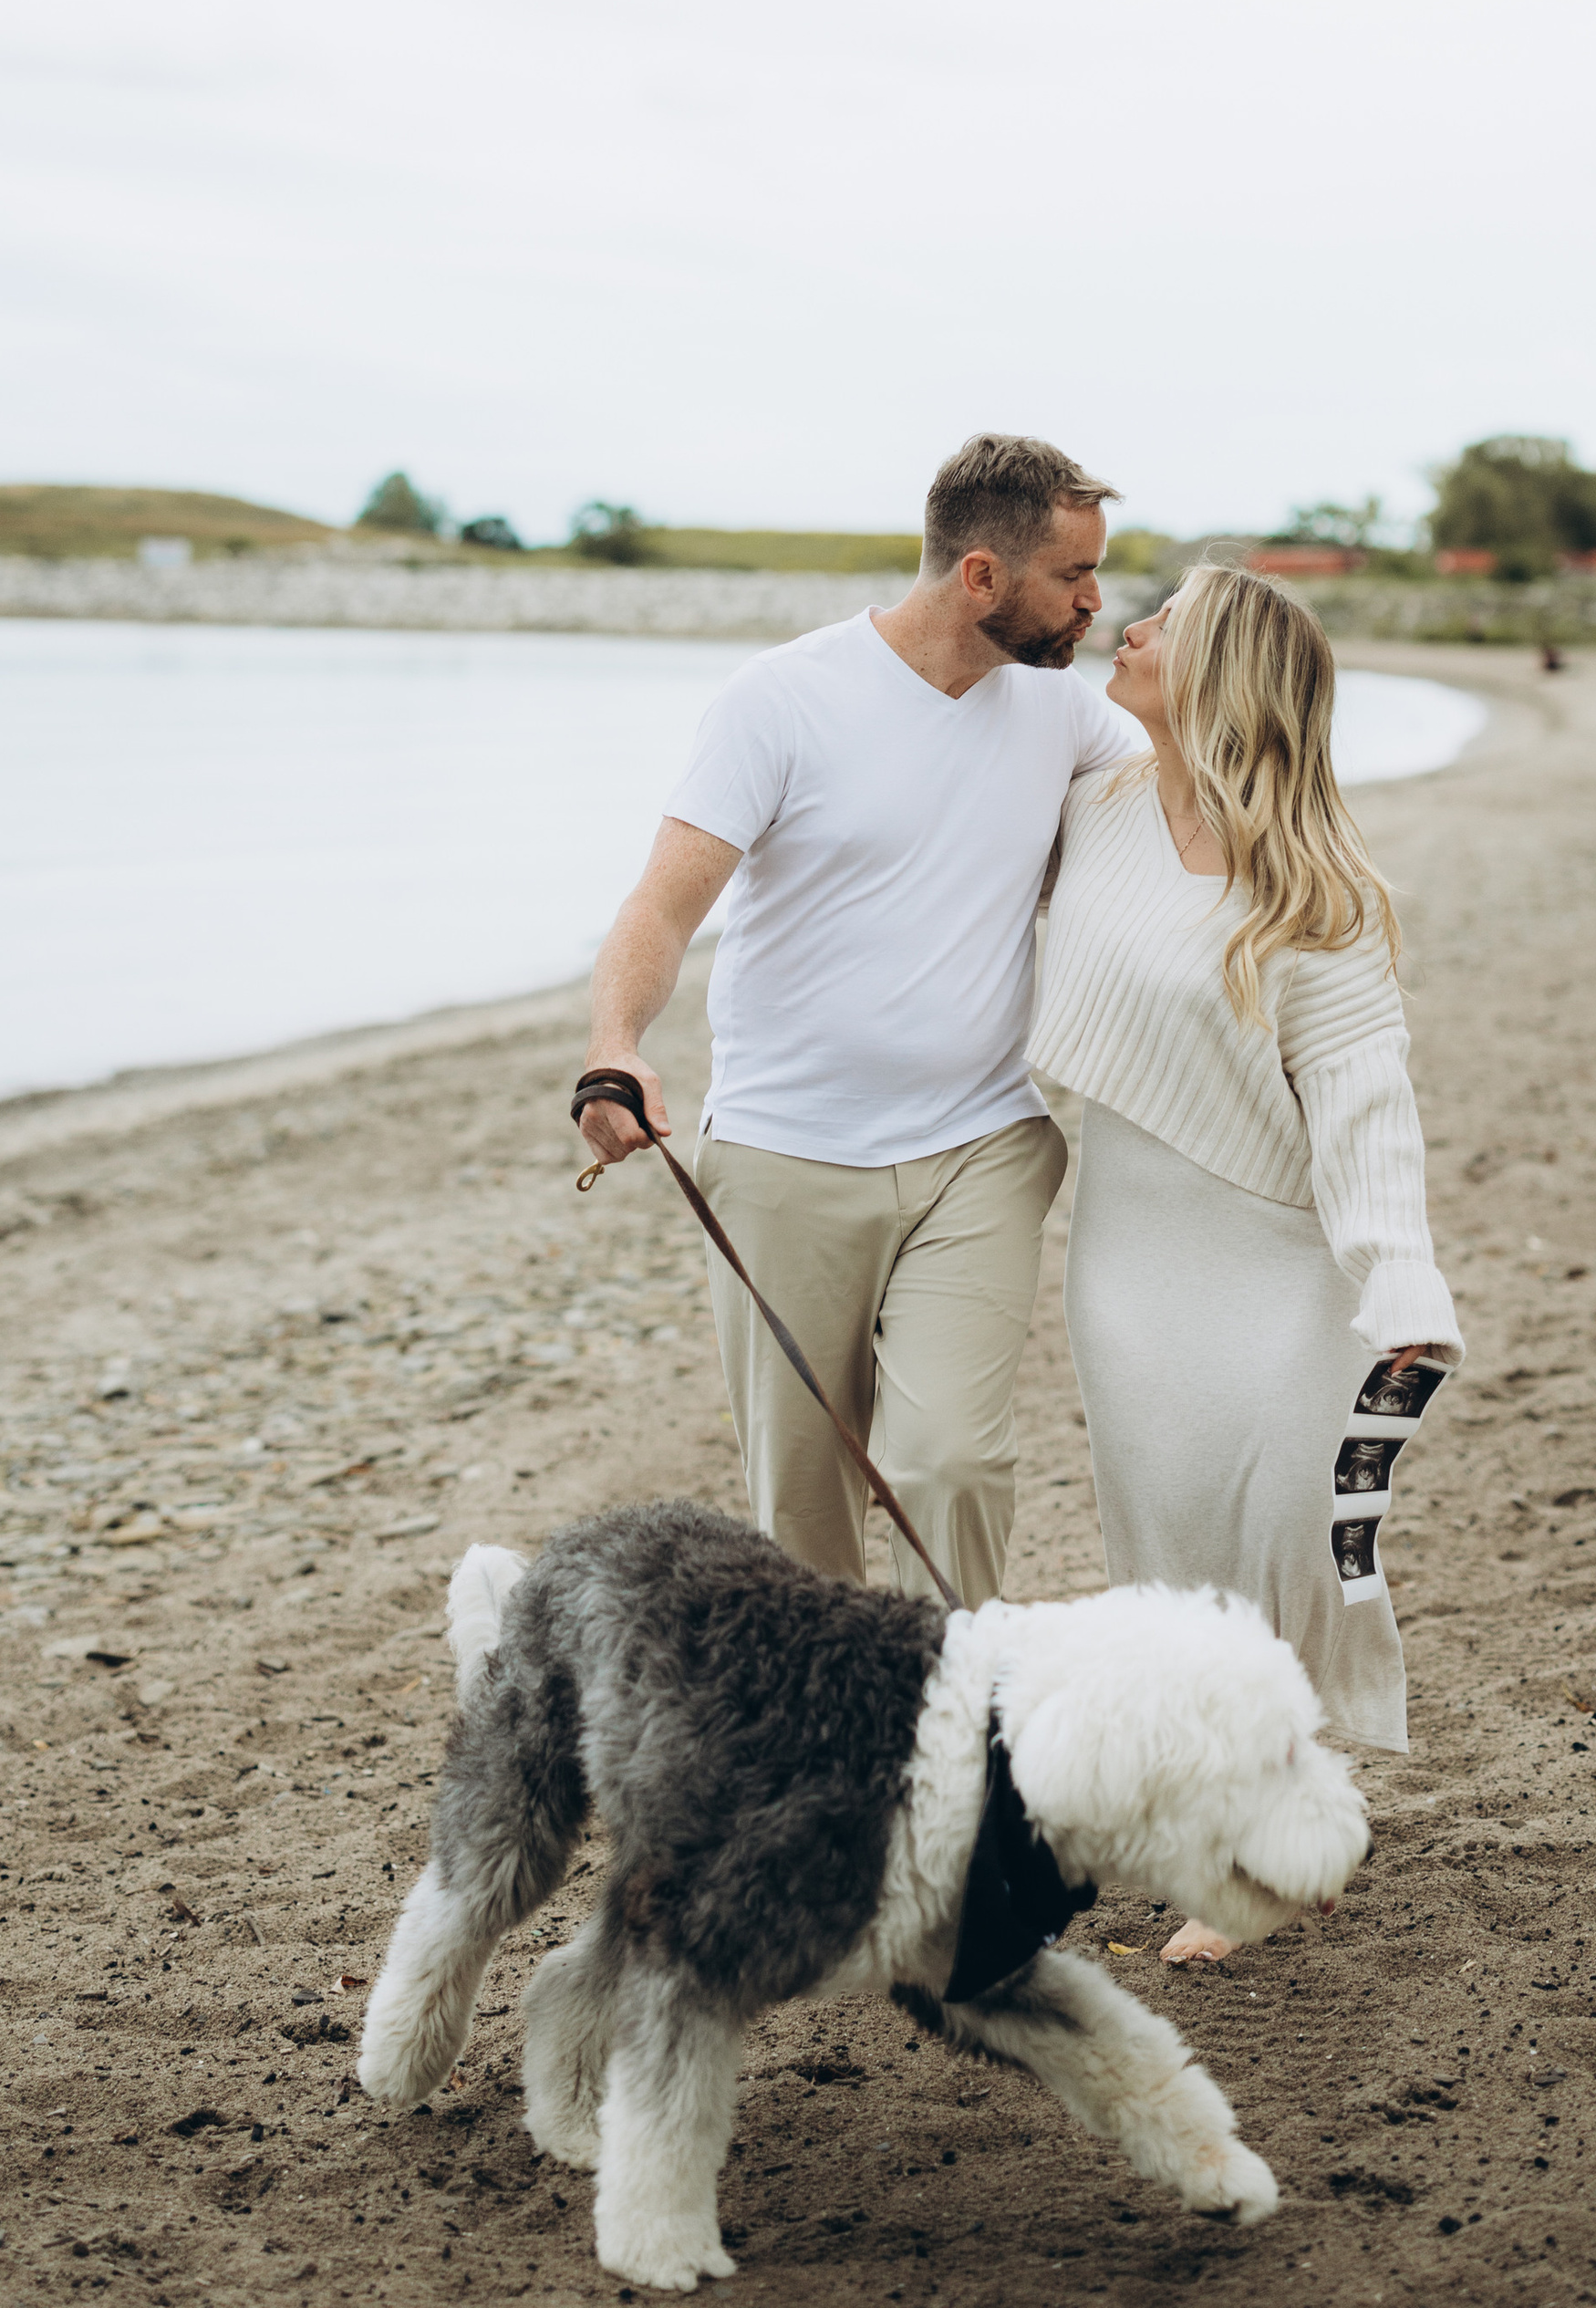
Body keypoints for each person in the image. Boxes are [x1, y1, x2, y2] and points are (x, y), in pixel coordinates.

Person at [575, 433, 1136, 1607]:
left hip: (978, 1149)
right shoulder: (783, 699)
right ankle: (833, 1752)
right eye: (1072, 575)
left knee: (954, 1463)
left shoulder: (1067, 717)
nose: (1095, 602)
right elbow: (663, 908)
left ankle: (966, 1723)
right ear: (980, 576)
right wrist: (615, 1046)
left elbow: (1199, 821)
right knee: (804, 1502)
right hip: (784, 1155)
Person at [1027, 562, 1465, 1962]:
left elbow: (1364, 1106)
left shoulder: (1316, 890)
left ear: (1219, 675)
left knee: (1281, 1541)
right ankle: (1219, 1831)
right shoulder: (1086, 814)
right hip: (1127, 1252)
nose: (1129, 629)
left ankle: (1271, 1839)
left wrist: (1401, 1283)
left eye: (1163, 622)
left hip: (1281, 1257)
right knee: (1165, 1555)